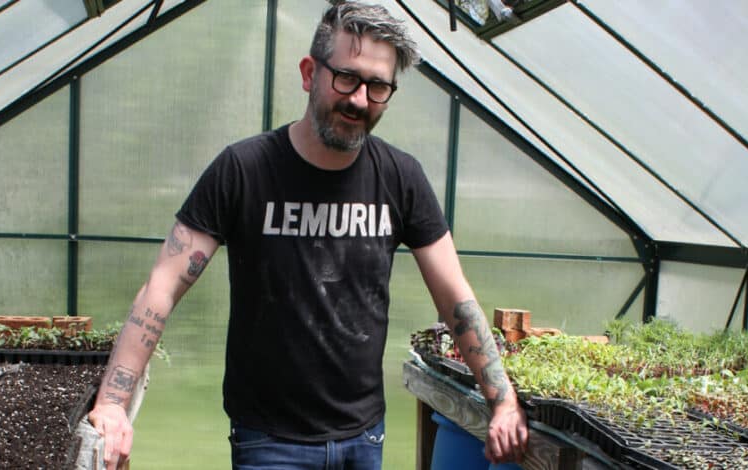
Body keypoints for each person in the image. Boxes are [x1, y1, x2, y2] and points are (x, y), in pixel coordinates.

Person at [88, 1, 528, 469]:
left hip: (363, 437)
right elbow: (163, 285)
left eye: (377, 86)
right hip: (269, 442)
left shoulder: (401, 179)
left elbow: (454, 297)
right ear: (308, 73)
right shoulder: (244, 170)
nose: (359, 99)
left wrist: (502, 401)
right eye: (347, 78)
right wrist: (114, 402)